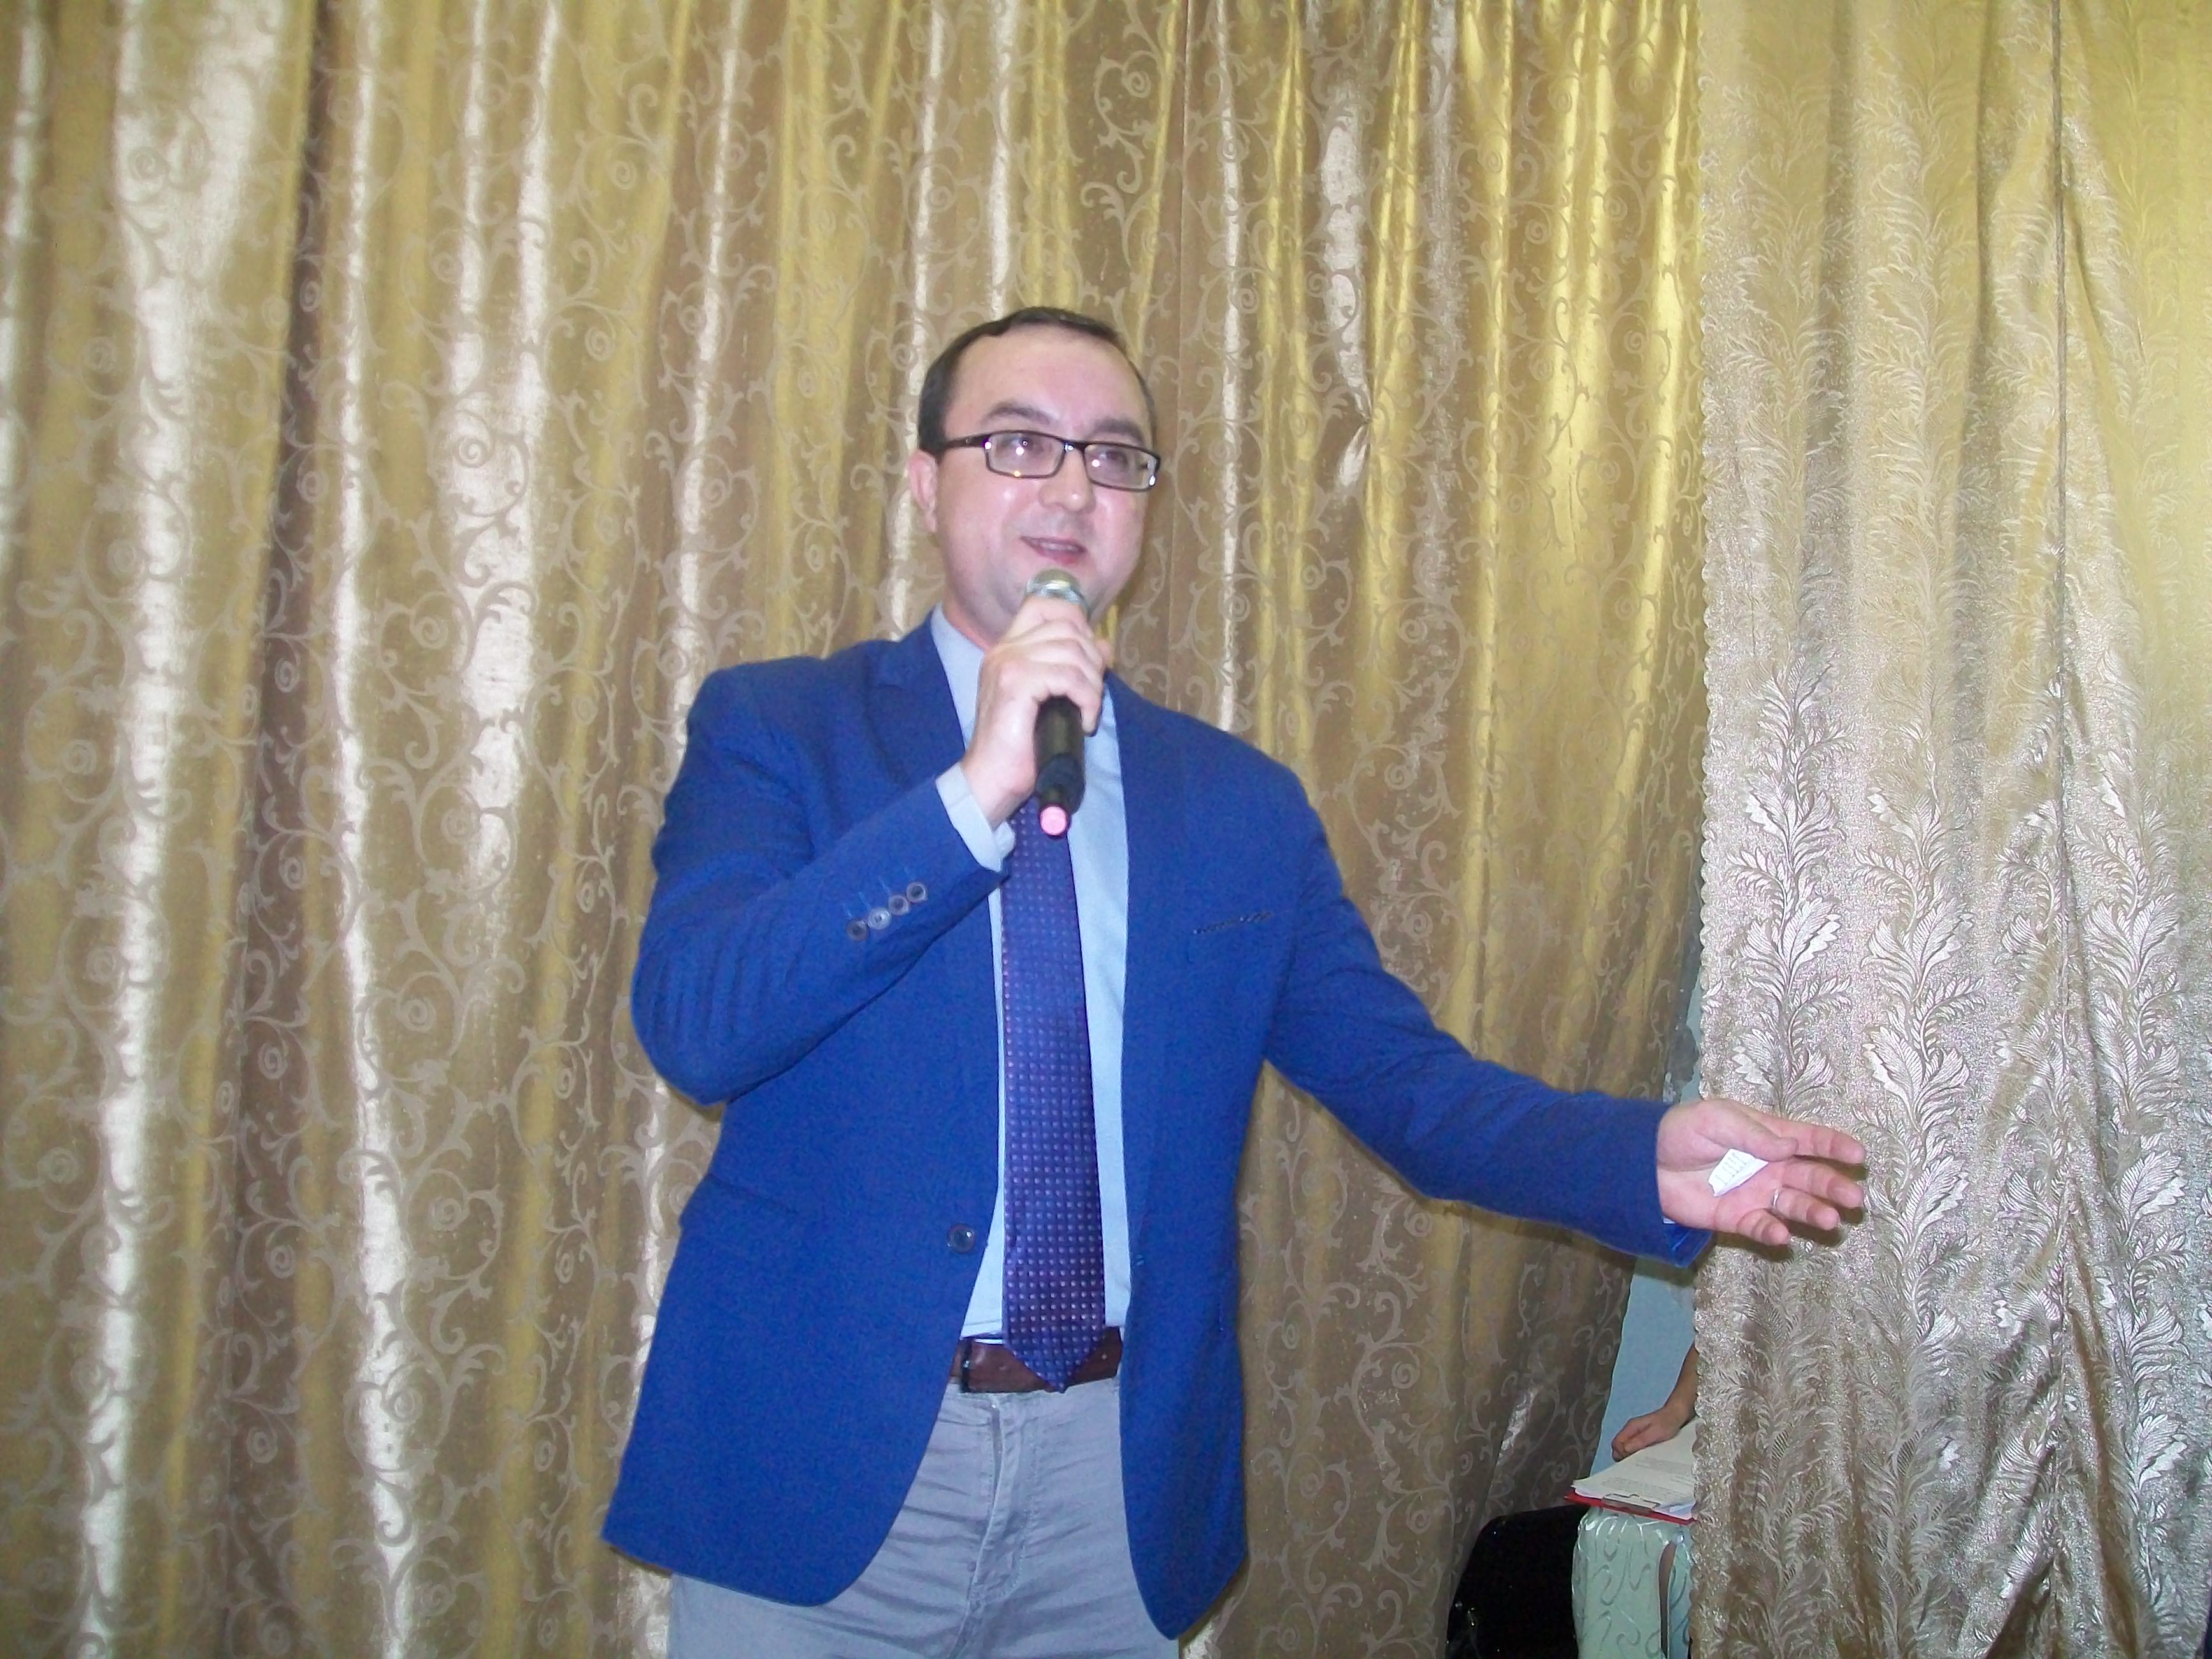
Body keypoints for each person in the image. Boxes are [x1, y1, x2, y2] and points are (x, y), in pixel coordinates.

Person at [602, 307, 1865, 1658]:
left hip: (1112, 1492)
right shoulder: (780, 726)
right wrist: (973, 796)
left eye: (1114, 456)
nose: (1071, 488)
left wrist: (1637, 1158)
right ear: (926, 483)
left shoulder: (1237, 805)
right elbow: (700, 1023)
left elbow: (1405, 1085)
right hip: (818, 1465)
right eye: (1018, 444)